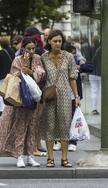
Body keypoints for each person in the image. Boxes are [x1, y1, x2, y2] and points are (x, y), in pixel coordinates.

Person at [0, 37, 45, 168]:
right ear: (23, 49)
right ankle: (19, 155)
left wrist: (33, 72)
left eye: (33, 48)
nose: (31, 51)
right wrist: (23, 71)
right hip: (20, 99)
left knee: (32, 127)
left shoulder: (37, 58)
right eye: (29, 48)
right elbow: (14, 76)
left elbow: (41, 73)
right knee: (20, 126)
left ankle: (30, 156)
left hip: (34, 98)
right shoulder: (17, 59)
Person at [40, 30, 80, 168]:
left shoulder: (68, 57)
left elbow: (73, 78)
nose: (58, 44)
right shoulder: (43, 58)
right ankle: (50, 159)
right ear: (49, 41)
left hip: (64, 96)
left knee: (64, 125)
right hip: (50, 96)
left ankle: (64, 159)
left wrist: (76, 96)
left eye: (60, 41)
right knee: (49, 126)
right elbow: (40, 77)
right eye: (55, 41)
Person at [0, 36, 15, 117]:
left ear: (0, 44)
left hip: (0, 76)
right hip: (10, 76)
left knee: (1, 94)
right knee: (9, 94)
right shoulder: (12, 52)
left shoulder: (0, 53)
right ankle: (9, 111)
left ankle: (1, 111)